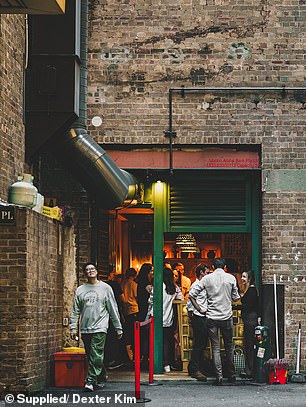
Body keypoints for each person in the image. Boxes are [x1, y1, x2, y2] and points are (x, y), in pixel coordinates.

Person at [70, 262, 123, 392]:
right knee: (92, 354)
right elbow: (75, 310)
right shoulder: (80, 290)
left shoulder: (105, 288)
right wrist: (73, 327)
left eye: (92, 268)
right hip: (85, 327)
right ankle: (102, 376)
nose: (90, 271)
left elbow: (112, 308)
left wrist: (118, 327)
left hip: (100, 326)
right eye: (87, 269)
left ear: (97, 271)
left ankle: (90, 381)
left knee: (96, 353)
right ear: (85, 273)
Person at [189, 258, 240, 386]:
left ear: (213, 266)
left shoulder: (207, 278)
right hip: (226, 316)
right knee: (228, 346)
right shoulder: (231, 278)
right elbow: (236, 297)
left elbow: (191, 295)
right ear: (225, 267)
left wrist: (200, 309)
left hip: (211, 317)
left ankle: (219, 377)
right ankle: (232, 375)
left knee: (215, 347)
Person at [147, 267, 183, 372]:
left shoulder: (158, 286)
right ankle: (167, 364)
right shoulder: (174, 288)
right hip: (168, 318)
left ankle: (156, 363)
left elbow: (150, 301)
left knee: (156, 341)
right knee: (167, 342)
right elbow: (180, 299)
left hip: (156, 318)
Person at [186, 264, 209, 381]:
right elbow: (190, 298)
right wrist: (199, 310)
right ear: (201, 273)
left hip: (199, 317)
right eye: (206, 272)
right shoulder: (197, 284)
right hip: (199, 317)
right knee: (199, 344)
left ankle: (195, 367)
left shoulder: (202, 285)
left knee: (201, 343)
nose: (208, 275)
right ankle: (195, 369)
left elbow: (189, 305)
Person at [104, 265, 126, 369]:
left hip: (102, 314)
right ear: (110, 274)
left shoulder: (101, 285)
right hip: (114, 312)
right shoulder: (114, 284)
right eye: (113, 273)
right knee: (114, 336)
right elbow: (123, 299)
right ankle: (113, 359)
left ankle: (106, 359)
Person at [240, 270, 259, 379]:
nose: (242, 279)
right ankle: (249, 369)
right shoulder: (249, 290)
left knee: (249, 345)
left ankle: (250, 370)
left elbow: (248, 306)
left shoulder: (251, 290)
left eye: (244, 277)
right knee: (249, 345)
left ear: (249, 278)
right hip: (250, 319)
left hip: (250, 320)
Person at [136, 263, 154, 363]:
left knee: (144, 335)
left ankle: (144, 356)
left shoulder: (140, 282)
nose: (153, 273)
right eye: (151, 271)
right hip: (145, 312)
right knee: (146, 335)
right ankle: (146, 356)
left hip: (142, 311)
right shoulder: (146, 284)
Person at [121, 267, 139, 360]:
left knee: (127, 332)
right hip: (134, 309)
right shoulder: (134, 284)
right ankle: (134, 355)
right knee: (134, 333)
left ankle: (129, 355)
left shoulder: (123, 283)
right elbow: (136, 296)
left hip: (126, 309)